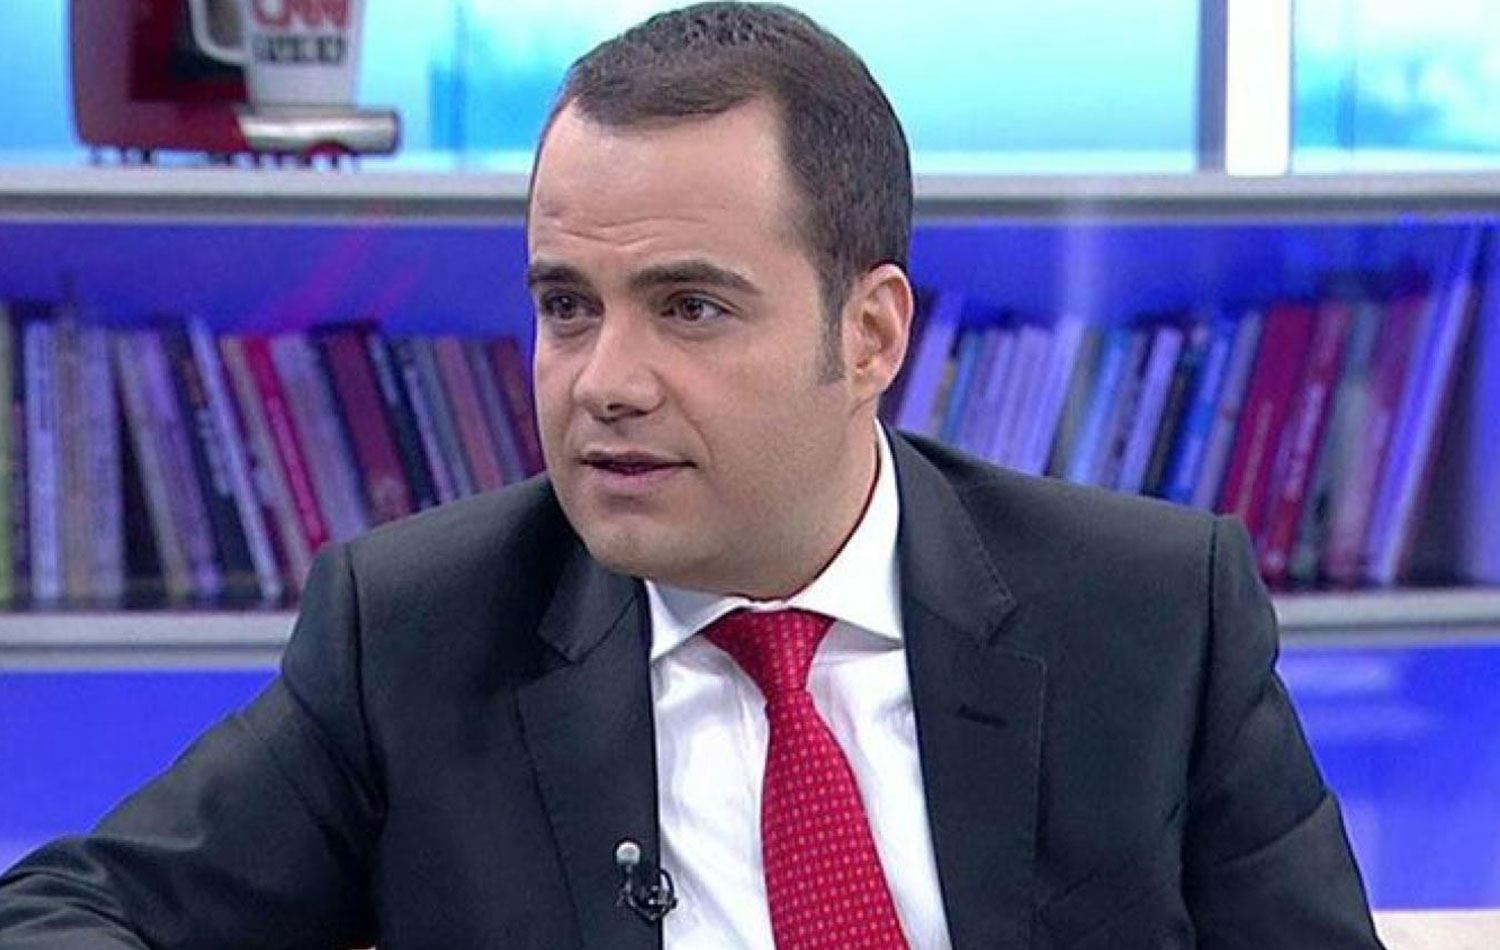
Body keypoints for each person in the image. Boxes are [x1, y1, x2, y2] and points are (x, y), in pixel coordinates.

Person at [0, 3, 1383, 948]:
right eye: (565, 304)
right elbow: (68, 910)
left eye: (691, 307)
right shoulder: (417, 635)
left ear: (870, 333)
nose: (604, 380)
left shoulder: (1151, 616)